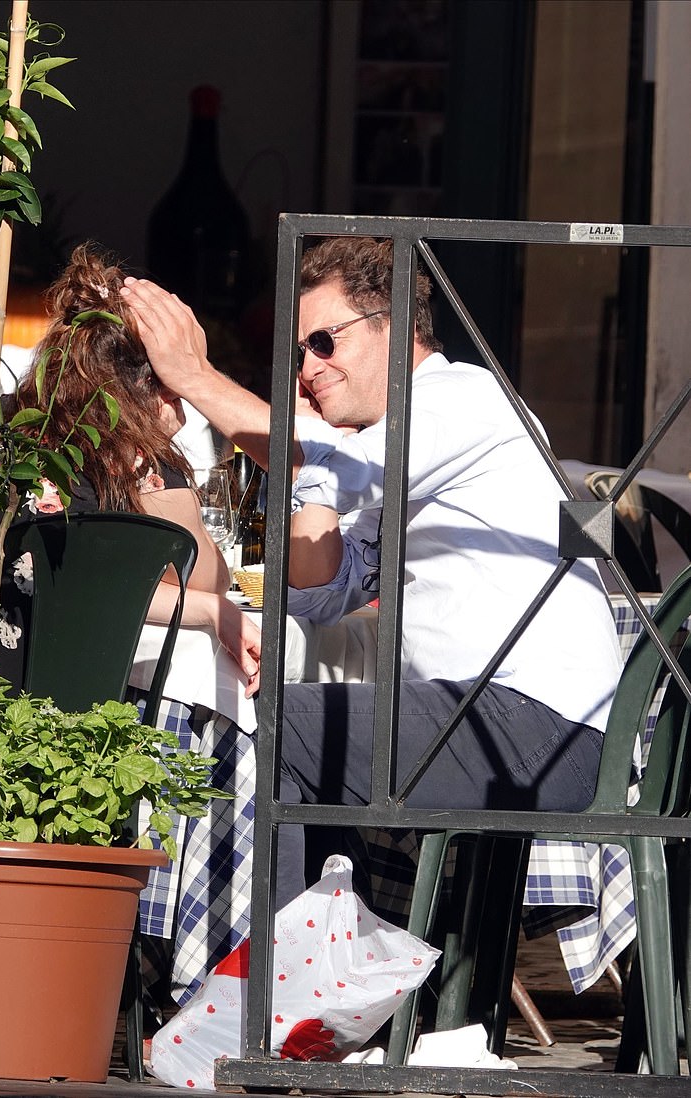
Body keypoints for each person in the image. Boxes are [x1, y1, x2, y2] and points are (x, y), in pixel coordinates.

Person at [120, 235, 623, 907]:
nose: (308, 368)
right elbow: (316, 585)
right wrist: (311, 465)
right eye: (300, 353)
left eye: (324, 342)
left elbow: (334, 477)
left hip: (535, 725)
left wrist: (195, 378)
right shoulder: (382, 456)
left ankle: (271, 984)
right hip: (478, 715)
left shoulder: (460, 398)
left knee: (257, 732)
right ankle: (344, 981)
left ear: (394, 326)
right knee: (284, 738)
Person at [0, 242, 261, 692]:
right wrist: (213, 611)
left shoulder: (138, 454)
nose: (189, 405)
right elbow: (68, 581)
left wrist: (161, 481)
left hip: (41, 700)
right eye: (179, 385)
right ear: (136, 387)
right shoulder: (7, 439)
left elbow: (203, 581)